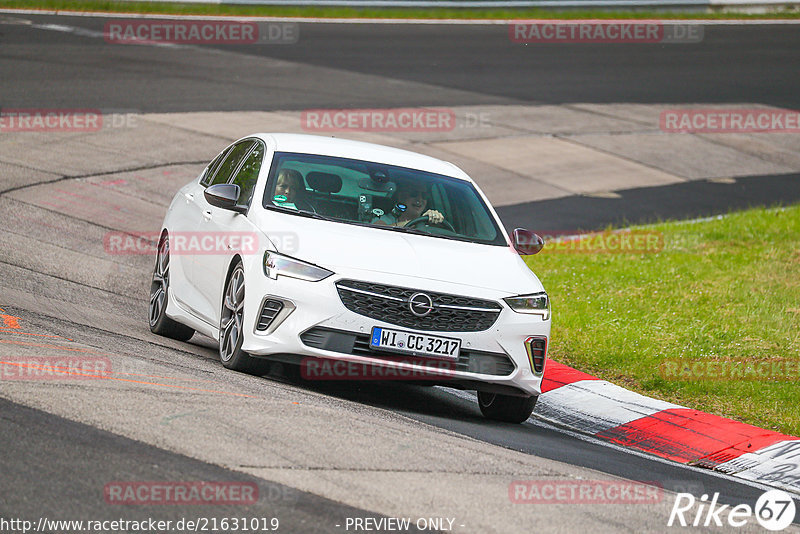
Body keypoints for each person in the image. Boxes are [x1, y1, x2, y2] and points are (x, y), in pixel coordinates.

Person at [374, 180, 444, 227]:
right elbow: (378, 232)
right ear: (400, 197)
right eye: (413, 194)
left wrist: (435, 219)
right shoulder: (384, 219)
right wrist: (417, 223)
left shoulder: (429, 224)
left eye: (424, 195)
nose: (419, 199)